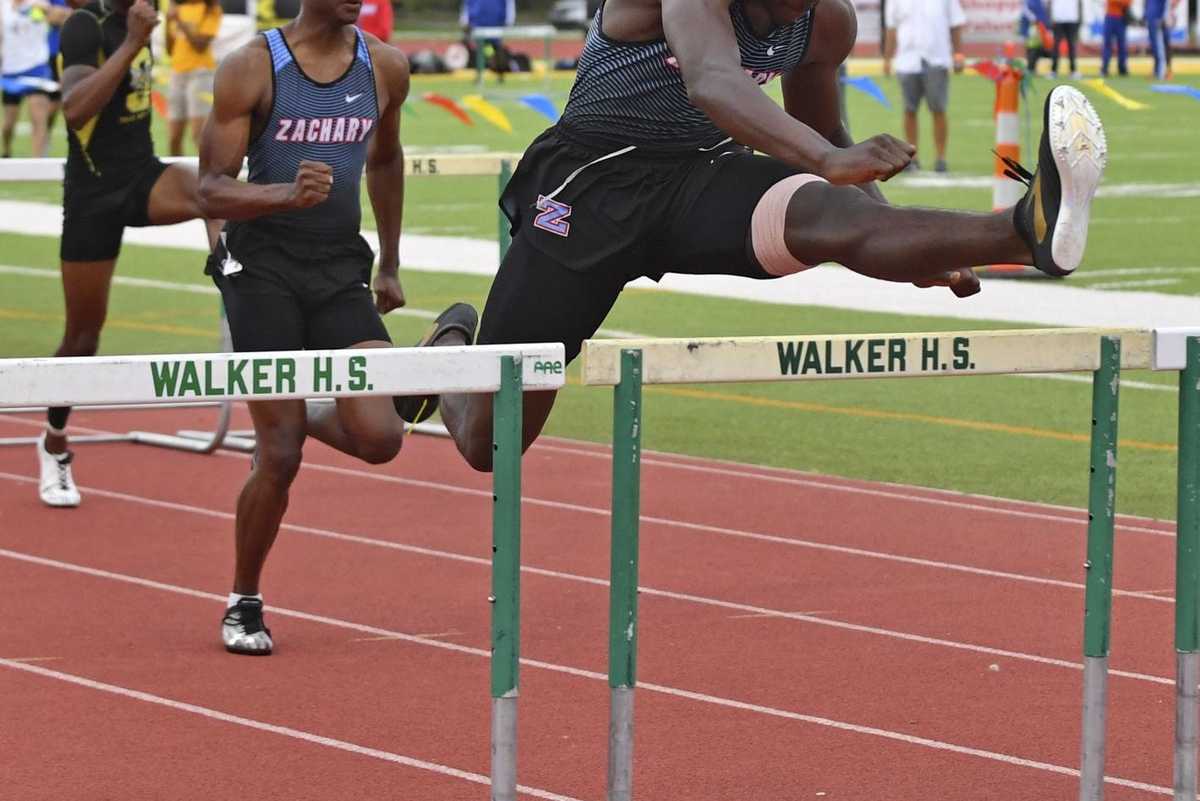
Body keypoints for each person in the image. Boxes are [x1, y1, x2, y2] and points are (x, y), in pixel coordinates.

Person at [402, 0, 1108, 477]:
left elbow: (826, 135)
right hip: (591, 186)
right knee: (491, 444)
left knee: (833, 217)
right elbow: (713, 81)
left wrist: (911, 243)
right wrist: (831, 161)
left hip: (701, 180)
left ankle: (1021, 231)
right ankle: (454, 349)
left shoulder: (824, 22)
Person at [198, 0, 414, 655]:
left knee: (381, 437)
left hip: (338, 265)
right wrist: (282, 195)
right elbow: (209, 189)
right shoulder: (252, 67)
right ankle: (243, 599)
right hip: (260, 268)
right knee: (281, 454)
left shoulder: (385, 67)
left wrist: (392, 263)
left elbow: (385, 160)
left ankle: (305, 406)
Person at [36, 0, 221, 507]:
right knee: (82, 338)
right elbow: (74, 111)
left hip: (143, 176)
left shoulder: (139, 19)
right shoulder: (85, 26)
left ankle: (237, 287)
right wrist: (133, 43)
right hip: (93, 195)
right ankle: (54, 444)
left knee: (217, 194)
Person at [883, 0, 966, 173]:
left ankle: (941, 158)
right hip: (907, 60)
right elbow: (891, 27)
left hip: (936, 58)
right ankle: (912, 158)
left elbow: (955, 23)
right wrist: (887, 58)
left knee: (938, 109)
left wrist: (958, 54)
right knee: (909, 110)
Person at [2, 0, 70, 157]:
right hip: (11, 70)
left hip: (37, 68)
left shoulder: (39, 3)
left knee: (39, 120)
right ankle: (6, 151)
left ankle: (39, 162)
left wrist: (49, 11)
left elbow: (65, 17)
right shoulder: (3, 5)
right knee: (8, 124)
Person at [165, 0, 221, 155]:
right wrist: (168, 21)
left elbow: (200, 46)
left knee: (199, 135)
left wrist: (178, 20)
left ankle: (205, 177)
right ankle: (176, 176)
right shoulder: (178, 8)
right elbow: (169, 49)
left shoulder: (211, 8)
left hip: (200, 74)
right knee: (173, 137)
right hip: (177, 73)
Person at [1144, 0, 1178, 80]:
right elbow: (1148, 4)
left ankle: (1165, 71)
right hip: (1151, 19)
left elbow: (1169, 4)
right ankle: (1157, 70)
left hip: (1160, 20)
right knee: (1155, 47)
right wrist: (1145, 16)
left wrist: (1166, 17)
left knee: (1164, 46)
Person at [1049, 0, 1081, 79]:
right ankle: (1053, 71)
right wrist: (1050, 17)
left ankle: (1073, 71)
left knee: (1071, 46)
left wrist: (1079, 18)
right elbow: (1050, 3)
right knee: (1056, 46)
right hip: (1058, 19)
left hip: (1072, 19)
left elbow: (1079, 3)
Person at [1100, 0, 1130, 77]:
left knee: (1122, 44)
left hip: (1121, 18)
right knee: (1107, 43)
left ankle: (1122, 68)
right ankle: (1105, 67)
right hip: (1110, 17)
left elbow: (1128, 2)